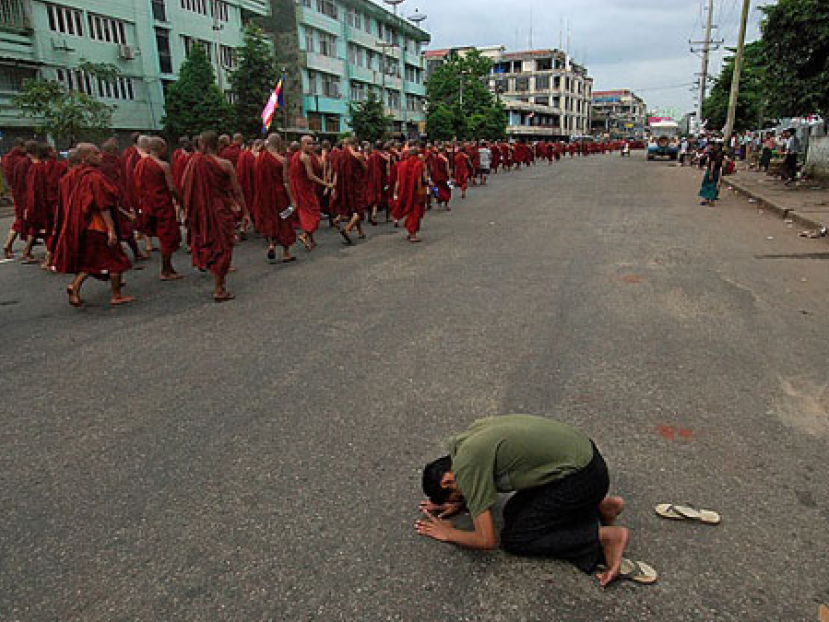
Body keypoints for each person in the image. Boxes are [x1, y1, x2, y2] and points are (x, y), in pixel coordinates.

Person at [417, 414, 639, 588]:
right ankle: (599, 507)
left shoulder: (468, 467)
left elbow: (487, 540)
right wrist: (461, 501)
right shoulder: (465, 443)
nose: (464, 497)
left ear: (447, 481)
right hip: (587, 461)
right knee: (512, 512)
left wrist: (450, 533)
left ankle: (607, 537)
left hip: (583, 479)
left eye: (459, 495)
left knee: (517, 539)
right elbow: (481, 478)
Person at [52, 143, 135, 307]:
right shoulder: (94, 177)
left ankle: (74, 286)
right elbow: (102, 205)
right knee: (115, 261)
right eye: (96, 154)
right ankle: (116, 295)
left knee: (92, 261)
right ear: (84, 157)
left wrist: (125, 215)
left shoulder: (80, 176)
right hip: (99, 226)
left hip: (87, 225)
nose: (101, 156)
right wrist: (111, 230)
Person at [181, 131, 250, 302]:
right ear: (218, 145)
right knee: (223, 245)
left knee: (208, 241)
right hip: (220, 210)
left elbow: (183, 185)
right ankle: (219, 288)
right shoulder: (225, 164)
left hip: (202, 210)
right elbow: (237, 190)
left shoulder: (193, 163)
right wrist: (245, 212)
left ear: (202, 145)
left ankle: (213, 275)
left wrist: (188, 208)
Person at [134, 137, 183, 280]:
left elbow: (137, 184)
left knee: (163, 235)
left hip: (148, 203)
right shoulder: (163, 165)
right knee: (167, 236)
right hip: (162, 204)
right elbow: (171, 187)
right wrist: (181, 201)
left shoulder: (140, 164)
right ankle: (165, 270)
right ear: (161, 148)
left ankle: (169, 268)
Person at [253, 133, 297, 263]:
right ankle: (286, 253)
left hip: (264, 196)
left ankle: (271, 244)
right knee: (284, 219)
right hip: (279, 195)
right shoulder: (282, 160)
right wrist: (292, 200)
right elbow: (285, 182)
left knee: (269, 219)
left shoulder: (258, 158)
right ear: (279, 143)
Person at [289, 136, 332, 251]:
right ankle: (304, 235)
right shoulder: (305, 157)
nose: (311, 146)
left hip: (297, 188)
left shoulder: (296, 155)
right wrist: (326, 184)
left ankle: (311, 239)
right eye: (308, 144)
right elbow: (311, 176)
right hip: (305, 189)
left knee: (306, 213)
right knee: (315, 213)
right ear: (302, 144)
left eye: (312, 143)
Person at [394, 144, 429, 243]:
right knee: (415, 213)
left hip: (405, 191)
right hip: (415, 192)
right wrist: (422, 190)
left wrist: (396, 192)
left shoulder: (402, 164)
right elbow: (420, 178)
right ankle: (413, 235)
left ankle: (410, 233)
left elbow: (398, 180)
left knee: (410, 212)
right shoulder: (419, 164)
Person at [699, 141, 723, 206]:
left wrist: (711, 173)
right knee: (713, 185)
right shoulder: (721, 153)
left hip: (711, 170)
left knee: (708, 184)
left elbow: (712, 163)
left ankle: (708, 200)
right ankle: (709, 200)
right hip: (717, 170)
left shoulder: (712, 153)